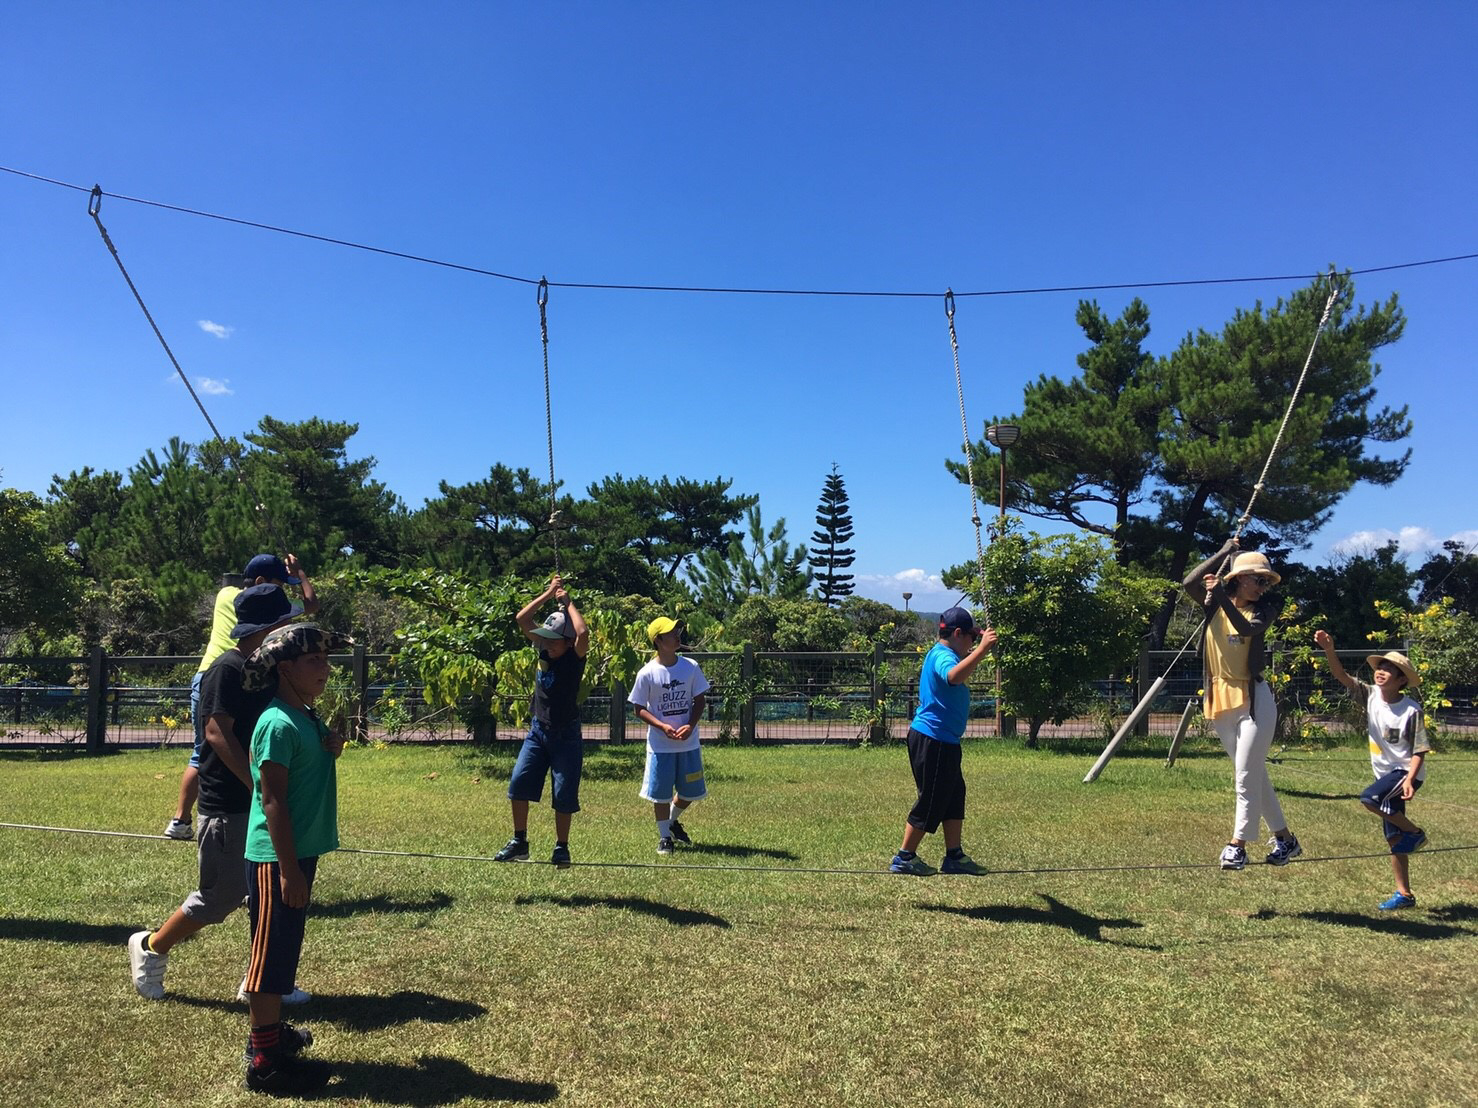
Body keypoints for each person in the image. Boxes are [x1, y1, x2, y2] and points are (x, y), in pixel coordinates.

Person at [128, 585, 313, 1005]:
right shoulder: (227, 669)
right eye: (285, 624)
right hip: (228, 802)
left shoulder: (272, 671)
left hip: (262, 801)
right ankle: (151, 946)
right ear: (269, 628)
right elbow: (215, 732)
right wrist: (255, 784)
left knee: (265, 897)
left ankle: (261, 980)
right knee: (219, 897)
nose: (289, 631)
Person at [238, 622, 351, 1095]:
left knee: (283, 950)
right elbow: (272, 802)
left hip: (299, 852)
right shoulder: (276, 722)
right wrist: (286, 870)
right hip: (276, 857)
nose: (325, 669)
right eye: (314, 661)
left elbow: (310, 763)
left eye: (326, 660)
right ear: (285, 669)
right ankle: (265, 1062)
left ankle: (271, 1034)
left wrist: (333, 744)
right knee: (269, 958)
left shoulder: (304, 714)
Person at [165, 554, 317, 840]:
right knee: (208, 748)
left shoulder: (231, 594)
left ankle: (184, 820)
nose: (282, 591)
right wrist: (301, 575)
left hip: (250, 668)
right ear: (260, 583)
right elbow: (310, 606)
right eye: (278, 584)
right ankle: (183, 818)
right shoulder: (243, 601)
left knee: (228, 743)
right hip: (222, 672)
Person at [1185, 541, 1301, 870]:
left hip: (1254, 700)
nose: (1264, 587)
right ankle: (1286, 840)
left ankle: (1238, 845)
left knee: (1245, 775)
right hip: (1220, 698)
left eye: (1266, 581)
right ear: (1239, 578)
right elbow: (1189, 582)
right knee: (1253, 775)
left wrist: (1220, 594)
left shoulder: (1265, 609)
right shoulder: (1214, 604)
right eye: (1258, 580)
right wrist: (1224, 551)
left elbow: (1246, 629)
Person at [1314, 632, 1431, 910]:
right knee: (1394, 838)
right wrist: (1330, 649)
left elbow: (1420, 750)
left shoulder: (1411, 710)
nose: (1381, 672)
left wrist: (1410, 780)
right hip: (1385, 775)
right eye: (1380, 667)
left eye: (1389, 670)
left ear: (1402, 680)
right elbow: (1340, 675)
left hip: (1404, 773)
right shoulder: (1370, 696)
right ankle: (1404, 894)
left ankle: (1416, 833)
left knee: (1370, 799)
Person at [889, 606, 997, 876]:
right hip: (933, 739)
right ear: (958, 633)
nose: (974, 642)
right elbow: (953, 677)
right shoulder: (941, 656)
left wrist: (977, 651)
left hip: (944, 741)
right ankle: (905, 857)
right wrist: (981, 652)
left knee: (953, 796)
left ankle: (954, 856)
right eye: (972, 637)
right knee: (933, 799)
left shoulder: (949, 654)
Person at [493, 575, 589, 868]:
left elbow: (583, 634)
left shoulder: (574, 657)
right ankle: (519, 841)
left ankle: (562, 847)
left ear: (567, 642)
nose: (545, 643)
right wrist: (548, 594)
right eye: (544, 637)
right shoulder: (543, 647)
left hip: (566, 735)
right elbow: (522, 618)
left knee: (563, 793)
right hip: (538, 731)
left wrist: (568, 603)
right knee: (518, 784)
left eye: (552, 640)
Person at [628, 616, 712, 855]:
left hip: (688, 744)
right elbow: (638, 708)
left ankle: (672, 821)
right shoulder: (647, 673)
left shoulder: (691, 667)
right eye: (671, 633)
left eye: (677, 631)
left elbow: (699, 700)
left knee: (691, 793)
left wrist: (691, 725)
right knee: (660, 794)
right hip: (660, 747)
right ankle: (665, 837)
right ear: (658, 640)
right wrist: (661, 726)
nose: (677, 635)